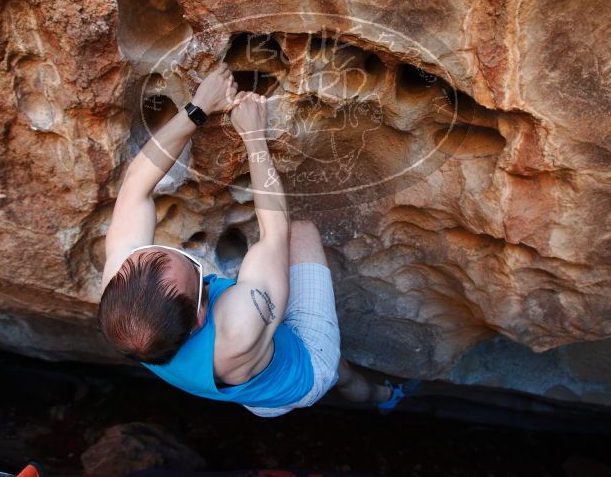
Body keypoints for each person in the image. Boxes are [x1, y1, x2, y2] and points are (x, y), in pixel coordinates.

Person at [98, 62, 418, 417]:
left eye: (155, 251)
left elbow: (135, 187)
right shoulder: (240, 322)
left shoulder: (127, 303)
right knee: (303, 242)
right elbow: (275, 232)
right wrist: (253, 136)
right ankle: (384, 395)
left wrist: (198, 108)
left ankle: (377, 395)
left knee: (301, 340)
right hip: (304, 375)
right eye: (194, 267)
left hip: (254, 393)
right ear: (201, 316)